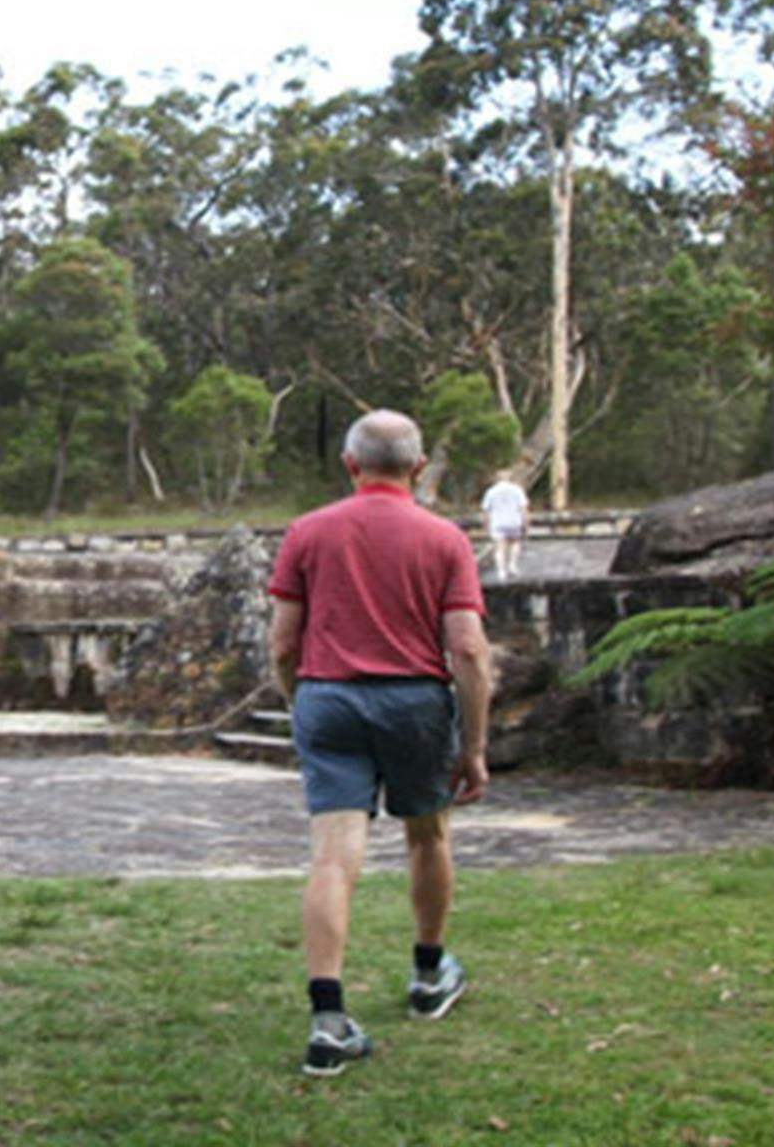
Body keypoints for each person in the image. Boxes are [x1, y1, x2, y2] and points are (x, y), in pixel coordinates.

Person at [267, 409, 494, 1076]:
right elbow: (469, 648)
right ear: (419, 469)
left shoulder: (307, 532)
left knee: (334, 857)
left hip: (328, 698)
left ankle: (328, 1019)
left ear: (350, 464)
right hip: (414, 704)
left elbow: (283, 640)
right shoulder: (445, 539)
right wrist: (473, 745)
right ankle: (428, 975)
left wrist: (300, 699)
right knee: (427, 833)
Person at [480, 470, 531, 582]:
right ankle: (512, 565)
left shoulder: (491, 492)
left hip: (498, 522)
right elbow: (523, 509)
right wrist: (526, 524)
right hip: (513, 521)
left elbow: (486, 510)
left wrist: (485, 525)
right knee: (515, 543)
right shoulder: (517, 490)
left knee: (499, 548)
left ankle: (501, 571)